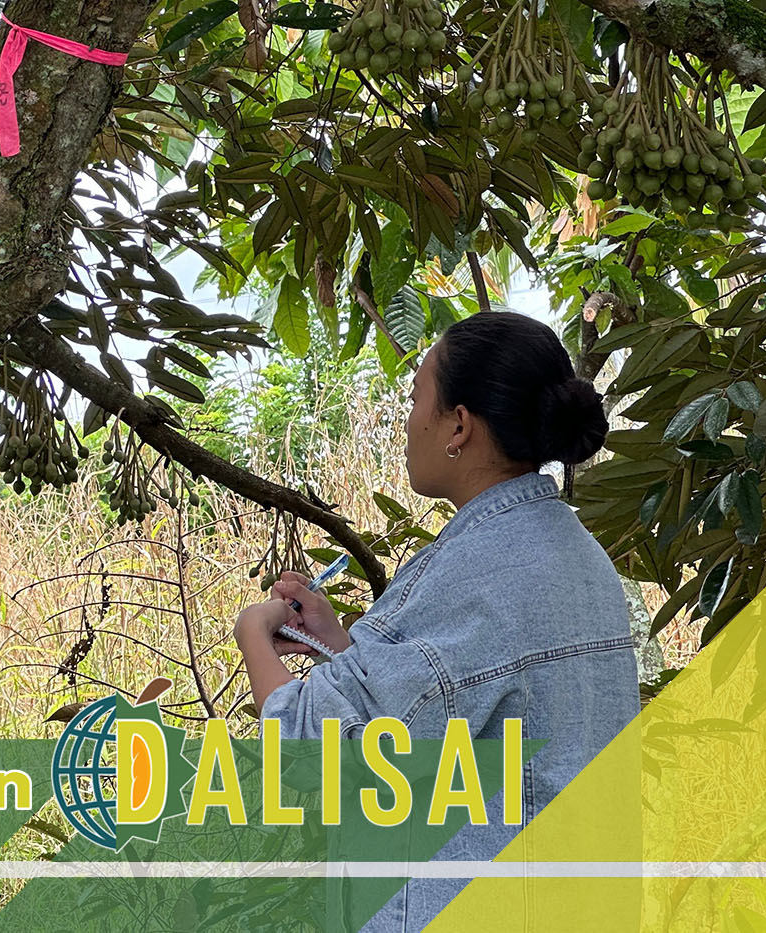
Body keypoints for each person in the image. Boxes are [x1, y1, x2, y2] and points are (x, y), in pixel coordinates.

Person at [233, 310, 640, 932]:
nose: (407, 422)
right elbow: (459, 705)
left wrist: (255, 635)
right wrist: (341, 649)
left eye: (417, 397)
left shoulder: (471, 569)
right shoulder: (580, 557)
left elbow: (314, 751)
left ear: (458, 424)